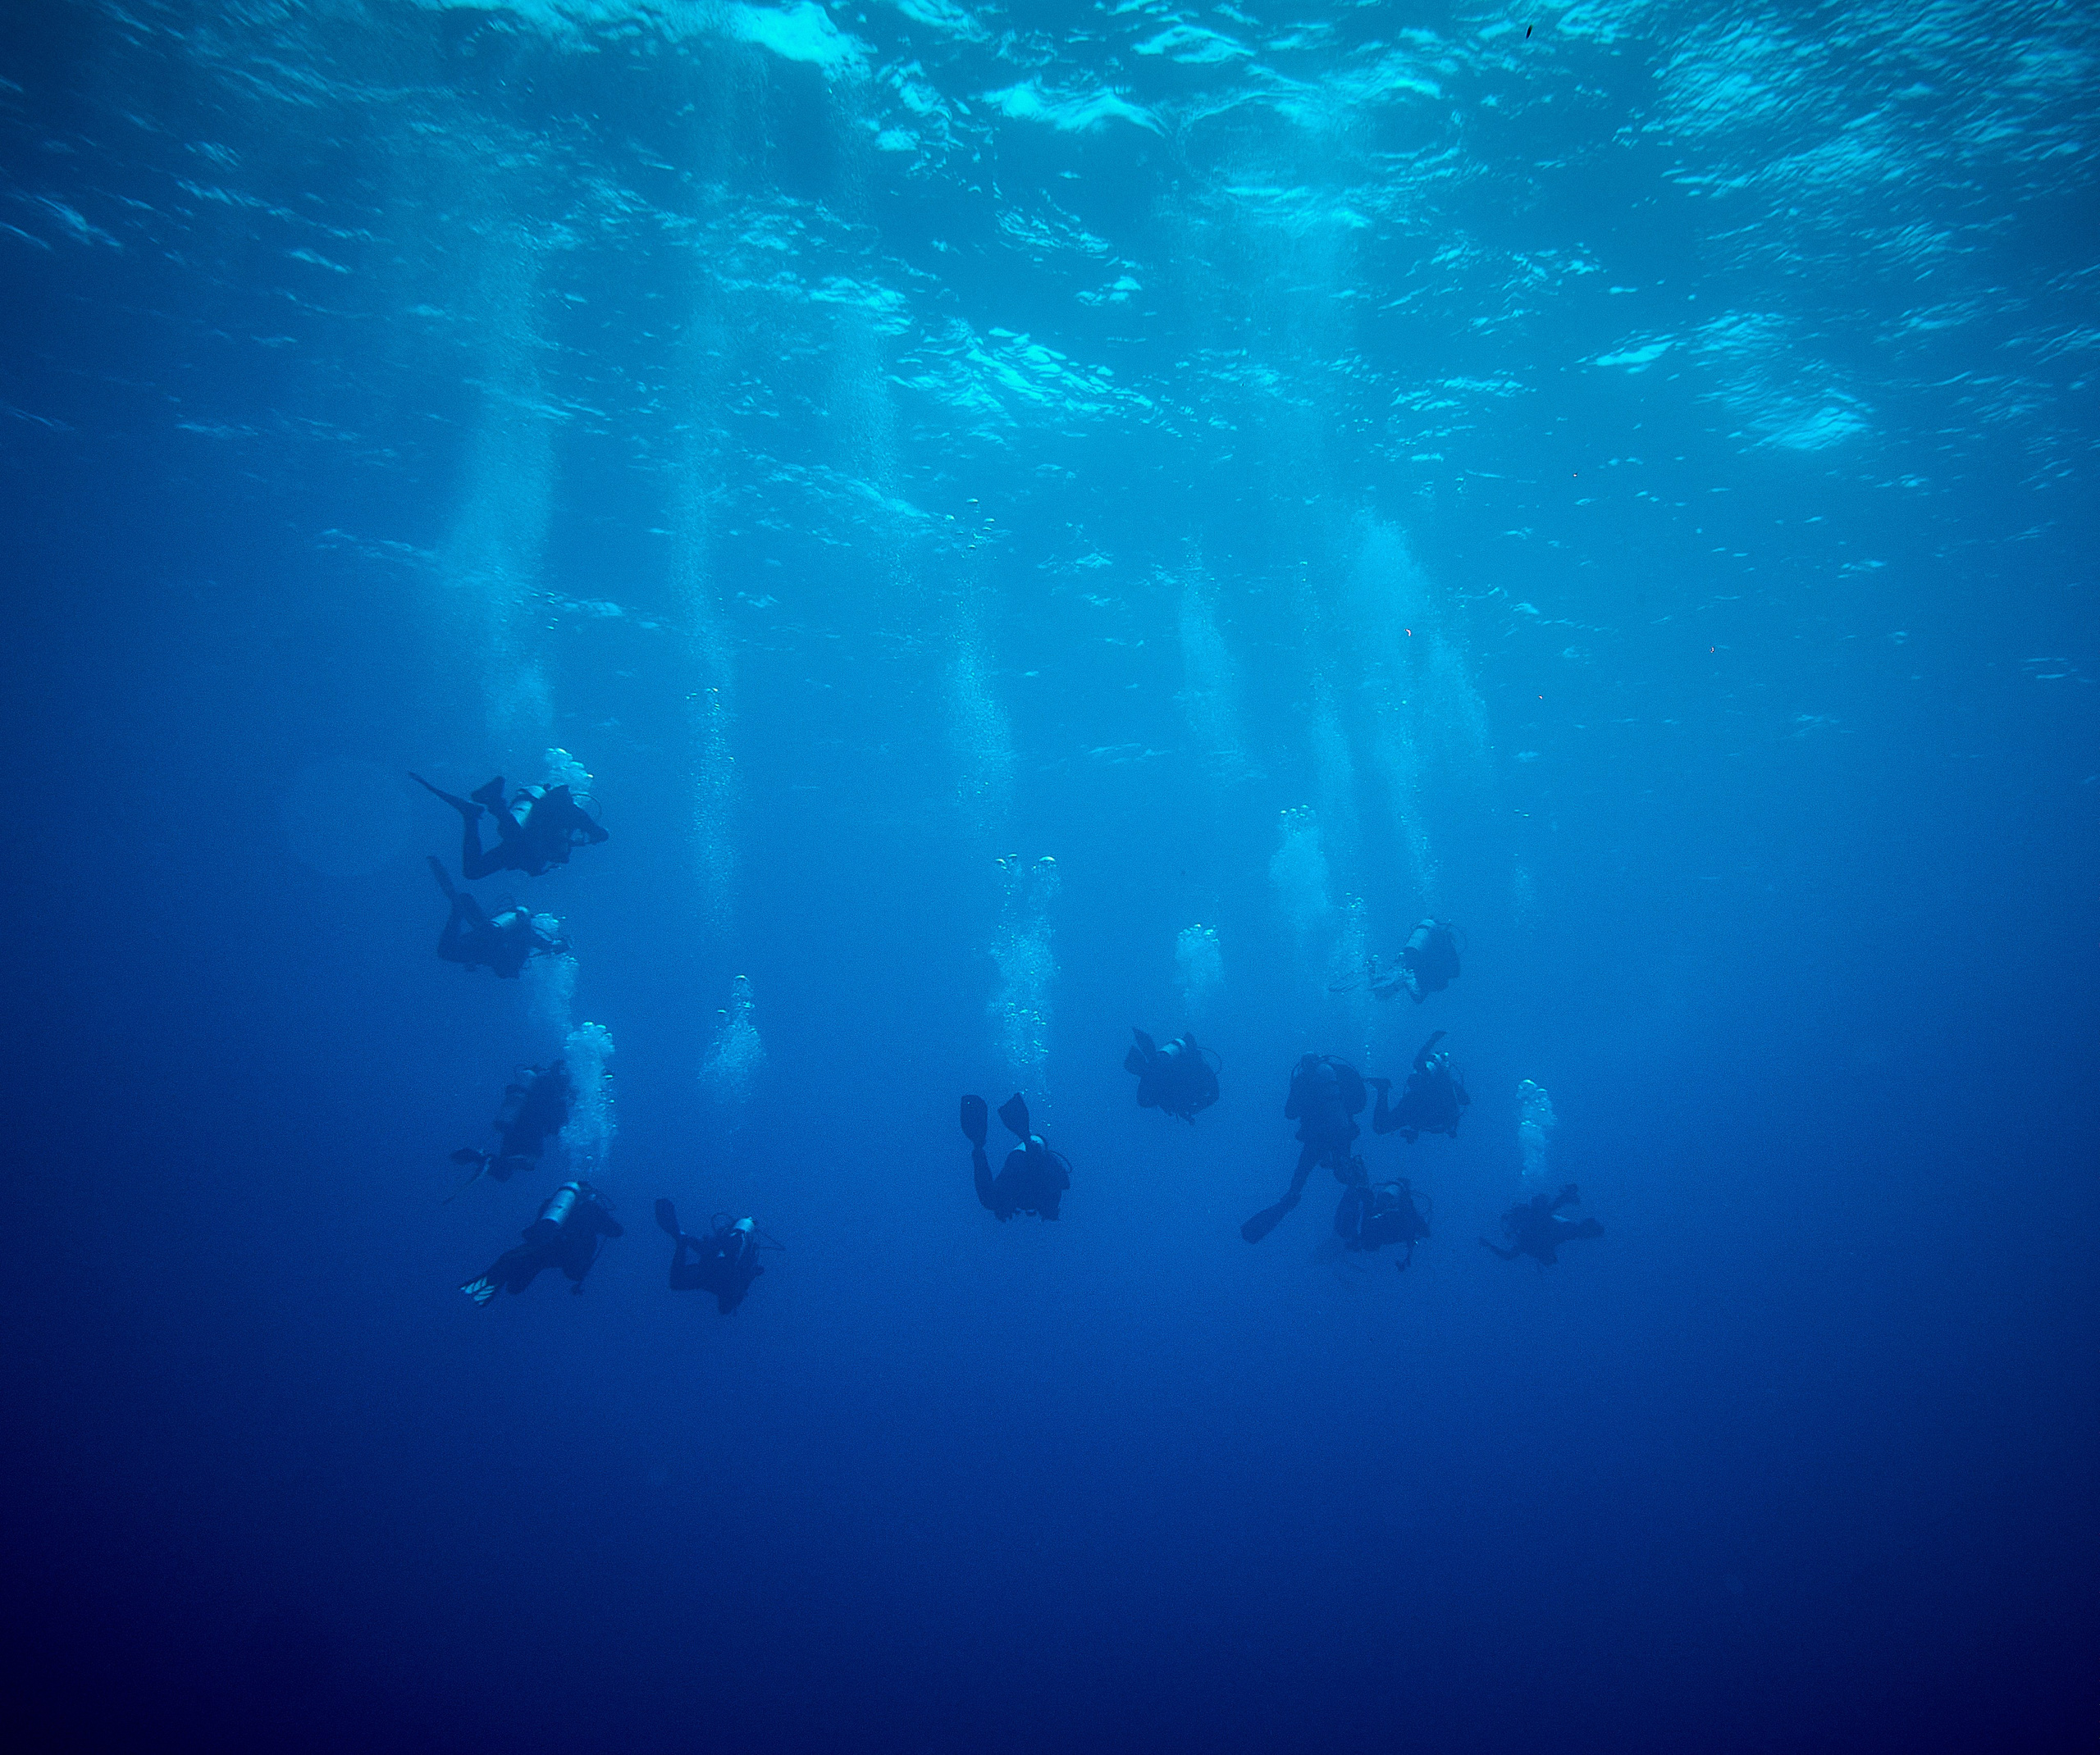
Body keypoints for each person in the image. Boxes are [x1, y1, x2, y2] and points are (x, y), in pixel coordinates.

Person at [1240, 1054, 1367, 1243]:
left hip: (1316, 1138)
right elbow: (1360, 1103)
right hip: (1342, 1131)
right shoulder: (1339, 1075)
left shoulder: (1303, 1080)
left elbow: (1290, 1113)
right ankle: (1358, 1178)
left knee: (1301, 1176)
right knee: (1344, 1174)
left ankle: (1290, 1198)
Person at [413, 772, 608, 881]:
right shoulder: (567, 809)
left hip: (518, 846)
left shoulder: (561, 817)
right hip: (523, 841)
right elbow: (580, 817)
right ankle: (495, 801)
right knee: (515, 836)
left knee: (473, 871)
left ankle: (470, 816)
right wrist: (597, 832)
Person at [460, 1180, 623, 1305]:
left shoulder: (552, 1203)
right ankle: (496, 1278)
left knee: (524, 1266)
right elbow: (616, 1231)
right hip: (567, 1255)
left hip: (544, 1250)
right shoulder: (592, 1208)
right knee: (516, 1288)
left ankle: (494, 1276)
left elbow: (540, 1227)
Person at [429, 856, 567, 979]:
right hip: (491, 949)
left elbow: (485, 925)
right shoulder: (524, 930)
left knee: (453, 944)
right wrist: (553, 945)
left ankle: (459, 906)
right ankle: (460, 906)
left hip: (488, 943)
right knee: (450, 949)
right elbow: (535, 942)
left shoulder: (511, 922)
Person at [449, 1060, 573, 1193]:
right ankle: (480, 1158)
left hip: (516, 1122)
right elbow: (556, 1122)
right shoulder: (555, 1088)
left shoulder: (541, 1079)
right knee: (529, 1161)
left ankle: (479, 1157)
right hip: (533, 1126)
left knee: (505, 1172)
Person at [961, 1092, 1071, 1221]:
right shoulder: (1051, 1166)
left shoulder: (1046, 1168)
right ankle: (981, 1149)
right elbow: (1064, 1183)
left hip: (1019, 1173)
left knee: (990, 1200)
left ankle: (979, 1149)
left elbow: (1063, 1183)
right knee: (991, 1199)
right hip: (1024, 1173)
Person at [655, 1199, 768, 1314]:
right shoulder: (732, 1286)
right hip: (720, 1265)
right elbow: (727, 1306)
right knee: (680, 1280)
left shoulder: (730, 1285)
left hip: (716, 1261)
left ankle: (682, 1240)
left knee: (679, 1280)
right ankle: (682, 1241)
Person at [1370, 1030, 1470, 1142]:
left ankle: (1383, 1089)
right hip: (1417, 1112)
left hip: (1415, 1112)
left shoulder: (1445, 1083)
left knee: (1381, 1128)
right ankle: (1383, 1088)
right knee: (1381, 1127)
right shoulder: (1444, 1082)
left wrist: (1432, 1041)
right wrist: (1432, 1040)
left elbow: (1465, 1100)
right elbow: (1465, 1100)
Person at [1480, 1183, 1603, 1267]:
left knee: (1547, 1217)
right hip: (1546, 1224)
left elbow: (1508, 1256)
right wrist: (1488, 1245)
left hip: (1544, 1224)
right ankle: (1565, 1197)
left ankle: (1565, 1197)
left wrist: (1488, 1245)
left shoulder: (1528, 1245)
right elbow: (1508, 1256)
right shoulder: (1530, 1245)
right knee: (1549, 1218)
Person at [1333, 1176, 1432, 1271]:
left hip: (1368, 1230)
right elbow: (1425, 1232)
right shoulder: (1404, 1212)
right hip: (1370, 1231)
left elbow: (1424, 1232)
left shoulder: (1395, 1211)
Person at [1124, 1027, 1220, 1124]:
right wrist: (1190, 1110)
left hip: (1165, 1076)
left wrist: (1188, 1110)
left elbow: (1143, 1100)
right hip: (1165, 1075)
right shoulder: (1199, 1069)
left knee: (1154, 1065)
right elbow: (1214, 1095)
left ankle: (1139, 1042)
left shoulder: (1198, 1069)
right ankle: (1138, 1041)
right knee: (1155, 1065)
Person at [1382, 919, 1461, 1002]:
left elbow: (1408, 949)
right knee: (1419, 997)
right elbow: (1455, 971)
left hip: (1410, 959)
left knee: (1397, 974)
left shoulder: (1419, 933)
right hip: (1425, 968)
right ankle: (1407, 980)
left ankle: (1376, 973)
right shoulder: (1442, 936)